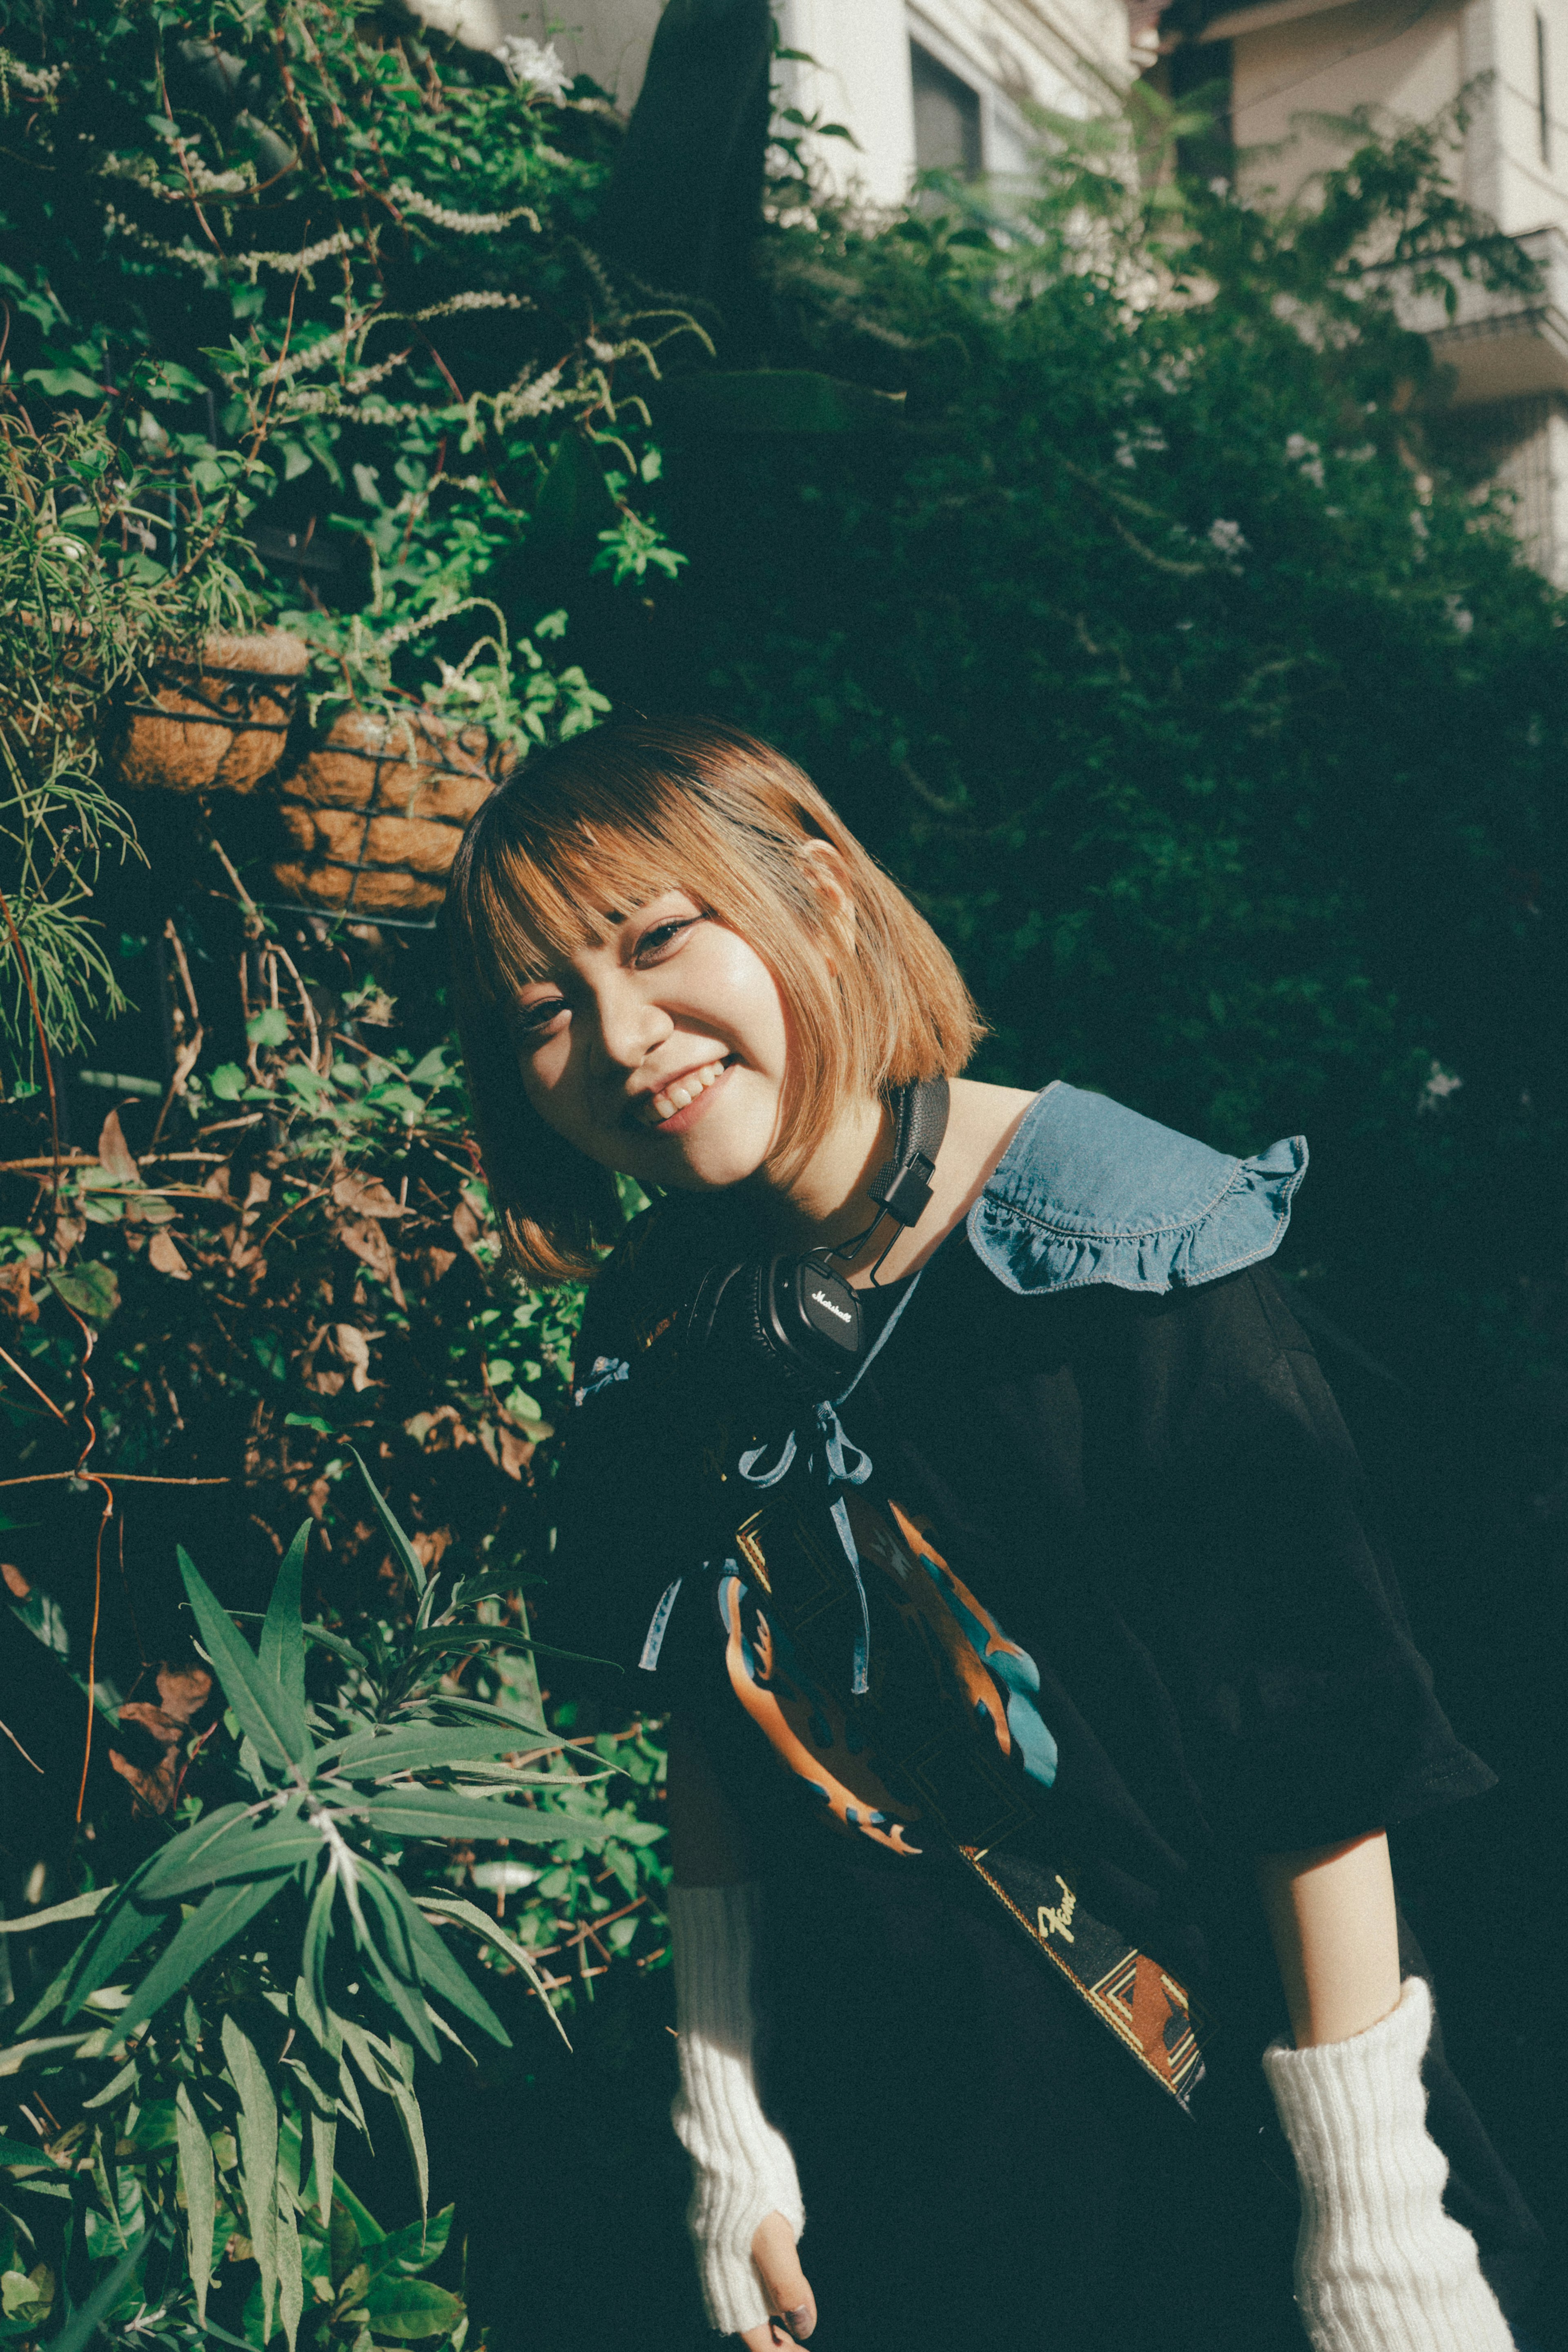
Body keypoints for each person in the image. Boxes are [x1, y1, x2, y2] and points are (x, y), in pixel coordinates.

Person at [445, 716, 1541, 2352]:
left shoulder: (1136, 1249)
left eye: (658, 940)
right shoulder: (665, 1327)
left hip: (1226, 2177)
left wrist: (1373, 2228)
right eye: (547, 1008)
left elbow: (1318, 1766)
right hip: (901, 2204)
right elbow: (719, 1742)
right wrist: (727, 2129)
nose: (621, 1033)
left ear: (812, 892)